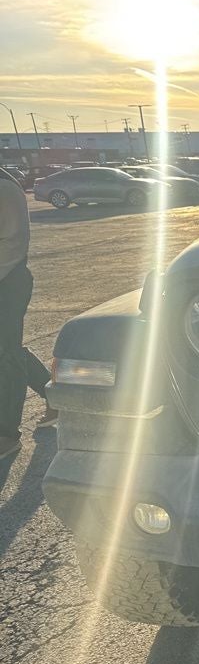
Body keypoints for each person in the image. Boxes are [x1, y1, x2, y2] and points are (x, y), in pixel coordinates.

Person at [0, 167, 56, 459]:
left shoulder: (4, 188)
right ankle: (54, 397)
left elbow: (10, 244)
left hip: (7, 281)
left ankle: (7, 435)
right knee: (9, 350)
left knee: (7, 355)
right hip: (7, 280)